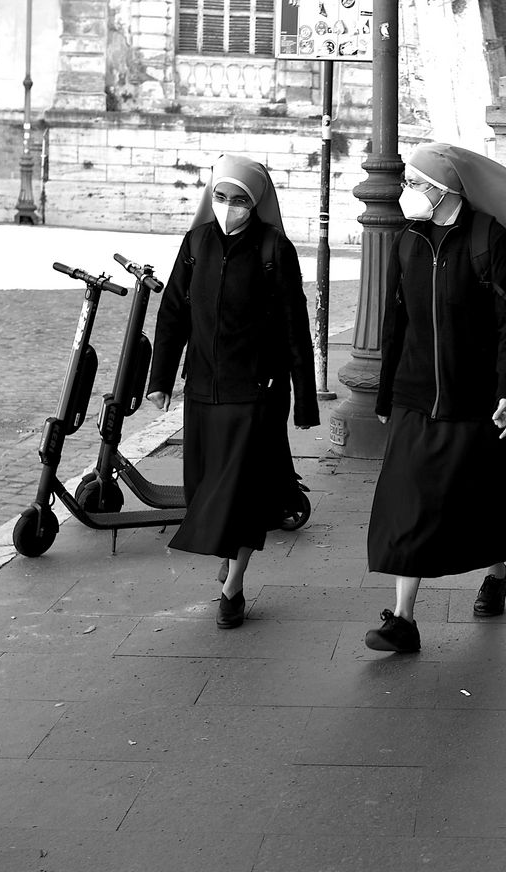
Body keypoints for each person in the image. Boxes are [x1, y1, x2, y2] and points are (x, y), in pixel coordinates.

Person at [364, 142, 506, 654]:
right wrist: (386, 393)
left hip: (473, 399)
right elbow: (396, 321)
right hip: (415, 396)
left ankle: (495, 571)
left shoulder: (487, 240)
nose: (407, 193)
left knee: (474, 500)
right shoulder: (407, 240)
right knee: (406, 502)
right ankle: (403, 619)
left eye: (415, 184)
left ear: (443, 190)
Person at [147, 154, 319, 629]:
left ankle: (234, 586)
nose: (227, 207)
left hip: (255, 395)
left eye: (239, 199)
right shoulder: (196, 243)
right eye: (219, 197)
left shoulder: (273, 250)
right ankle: (231, 560)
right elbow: (172, 315)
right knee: (204, 490)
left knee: (239, 495)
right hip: (202, 391)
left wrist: (304, 399)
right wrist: (159, 381)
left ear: (256, 202)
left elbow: (294, 327)